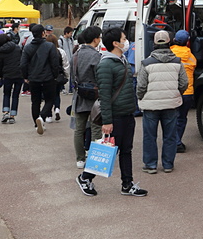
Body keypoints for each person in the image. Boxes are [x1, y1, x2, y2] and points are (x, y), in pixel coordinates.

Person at [77, 27, 147, 197]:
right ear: (115, 43)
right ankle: (85, 177)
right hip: (115, 116)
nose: (126, 42)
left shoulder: (121, 60)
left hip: (127, 113)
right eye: (124, 39)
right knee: (109, 151)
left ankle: (127, 184)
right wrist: (107, 121)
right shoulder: (106, 64)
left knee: (126, 150)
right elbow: (105, 96)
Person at [137, 30, 187, 174]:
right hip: (171, 105)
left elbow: (141, 86)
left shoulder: (146, 63)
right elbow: (184, 83)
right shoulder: (178, 62)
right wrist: (176, 93)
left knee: (150, 136)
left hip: (150, 106)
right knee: (170, 136)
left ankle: (151, 165)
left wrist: (141, 97)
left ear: (154, 44)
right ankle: (168, 165)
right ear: (169, 42)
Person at [20, 24, 62, 135]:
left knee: (35, 101)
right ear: (43, 33)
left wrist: (26, 76)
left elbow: (23, 64)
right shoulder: (50, 46)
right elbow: (55, 63)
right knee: (50, 99)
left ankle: (36, 123)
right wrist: (55, 75)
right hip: (48, 77)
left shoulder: (27, 47)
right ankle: (42, 117)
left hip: (33, 78)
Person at [71, 26, 103, 169]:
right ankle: (94, 157)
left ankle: (80, 159)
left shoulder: (76, 55)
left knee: (79, 128)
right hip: (94, 95)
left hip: (79, 95)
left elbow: (72, 77)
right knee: (96, 126)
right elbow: (100, 76)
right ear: (95, 39)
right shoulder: (96, 56)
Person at [169, 29, 196, 153]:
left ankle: (170, 141)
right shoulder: (191, 57)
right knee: (181, 118)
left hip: (173, 91)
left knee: (170, 118)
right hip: (187, 92)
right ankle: (177, 141)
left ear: (174, 40)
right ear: (187, 42)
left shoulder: (170, 54)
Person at [0, 32, 23, 124]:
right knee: (16, 95)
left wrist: (1, 75)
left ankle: (5, 112)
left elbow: (0, 65)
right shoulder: (17, 48)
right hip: (19, 73)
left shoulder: (0, 51)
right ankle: (12, 116)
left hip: (7, 74)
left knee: (6, 94)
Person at [45, 33, 69, 122]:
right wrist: (66, 76)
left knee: (48, 96)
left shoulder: (45, 51)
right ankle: (57, 109)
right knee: (57, 94)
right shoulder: (61, 51)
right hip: (58, 76)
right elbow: (65, 65)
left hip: (47, 77)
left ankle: (49, 116)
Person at [58, 27, 75, 94]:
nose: (71, 34)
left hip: (71, 59)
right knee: (63, 74)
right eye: (70, 33)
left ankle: (71, 88)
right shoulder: (60, 41)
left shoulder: (71, 39)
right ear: (66, 33)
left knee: (72, 74)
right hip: (64, 59)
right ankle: (62, 88)